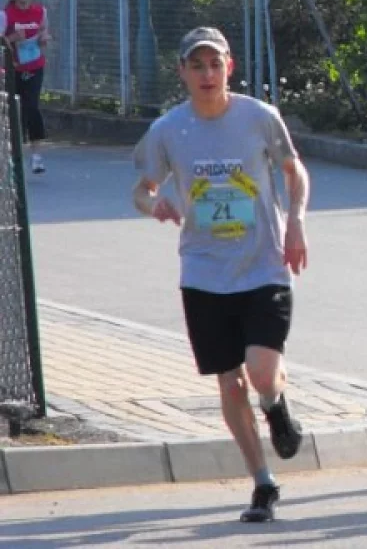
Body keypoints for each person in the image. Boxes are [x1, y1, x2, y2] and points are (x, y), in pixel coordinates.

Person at [132, 26, 310, 524]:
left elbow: (295, 172)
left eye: (216, 64)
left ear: (229, 67)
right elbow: (141, 190)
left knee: (259, 372)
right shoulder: (169, 129)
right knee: (228, 384)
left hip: (264, 264)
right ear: (183, 72)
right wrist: (156, 204)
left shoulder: (259, 117)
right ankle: (262, 482)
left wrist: (295, 221)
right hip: (204, 273)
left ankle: (275, 403)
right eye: (197, 66)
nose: (207, 74)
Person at [5, 0, 51, 174]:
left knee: (32, 107)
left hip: (34, 67)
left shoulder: (40, 11)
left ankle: (37, 156)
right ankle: (13, 157)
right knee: (13, 112)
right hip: (13, 69)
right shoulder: (5, 14)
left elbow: (44, 35)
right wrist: (14, 38)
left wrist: (43, 40)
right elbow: (1, 41)